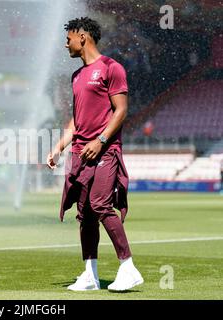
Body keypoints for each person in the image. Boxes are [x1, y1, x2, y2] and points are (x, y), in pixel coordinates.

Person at [47, 17, 143, 292]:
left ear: (83, 37)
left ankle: (128, 267)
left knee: (100, 205)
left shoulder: (112, 68)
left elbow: (121, 110)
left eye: (68, 38)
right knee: (85, 213)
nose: (65, 44)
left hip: (105, 149)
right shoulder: (76, 76)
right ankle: (90, 274)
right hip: (81, 151)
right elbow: (76, 120)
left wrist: (100, 141)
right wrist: (59, 147)